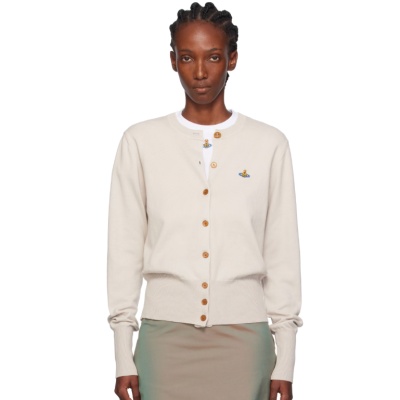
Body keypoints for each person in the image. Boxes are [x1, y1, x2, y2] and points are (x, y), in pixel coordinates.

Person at [106, 2, 303, 399]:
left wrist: (286, 359)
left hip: (245, 341)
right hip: (164, 341)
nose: (199, 72)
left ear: (232, 59)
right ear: (173, 61)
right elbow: (124, 251)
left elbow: (281, 253)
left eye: (213, 57)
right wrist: (123, 353)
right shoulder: (140, 142)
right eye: (187, 57)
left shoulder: (269, 144)